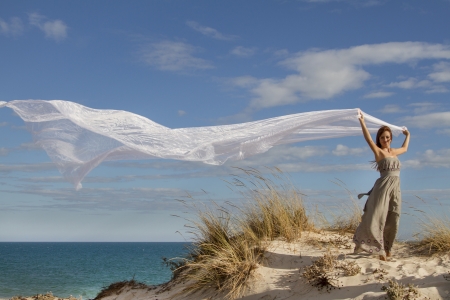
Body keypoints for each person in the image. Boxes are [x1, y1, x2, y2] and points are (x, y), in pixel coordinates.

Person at [353, 109, 410, 261]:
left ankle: (388, 247)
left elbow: (405, 148)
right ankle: (379, 250)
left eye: (388, 137)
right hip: (383, 189)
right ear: (380, 139)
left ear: (391, 138)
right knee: (378, 217)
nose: (385, 139)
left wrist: (408, 135)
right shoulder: (379, 152)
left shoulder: (394, 152)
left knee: (394, 217)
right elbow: (368, 140)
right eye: (383, 137)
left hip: (396, 189)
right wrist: (362, 121)